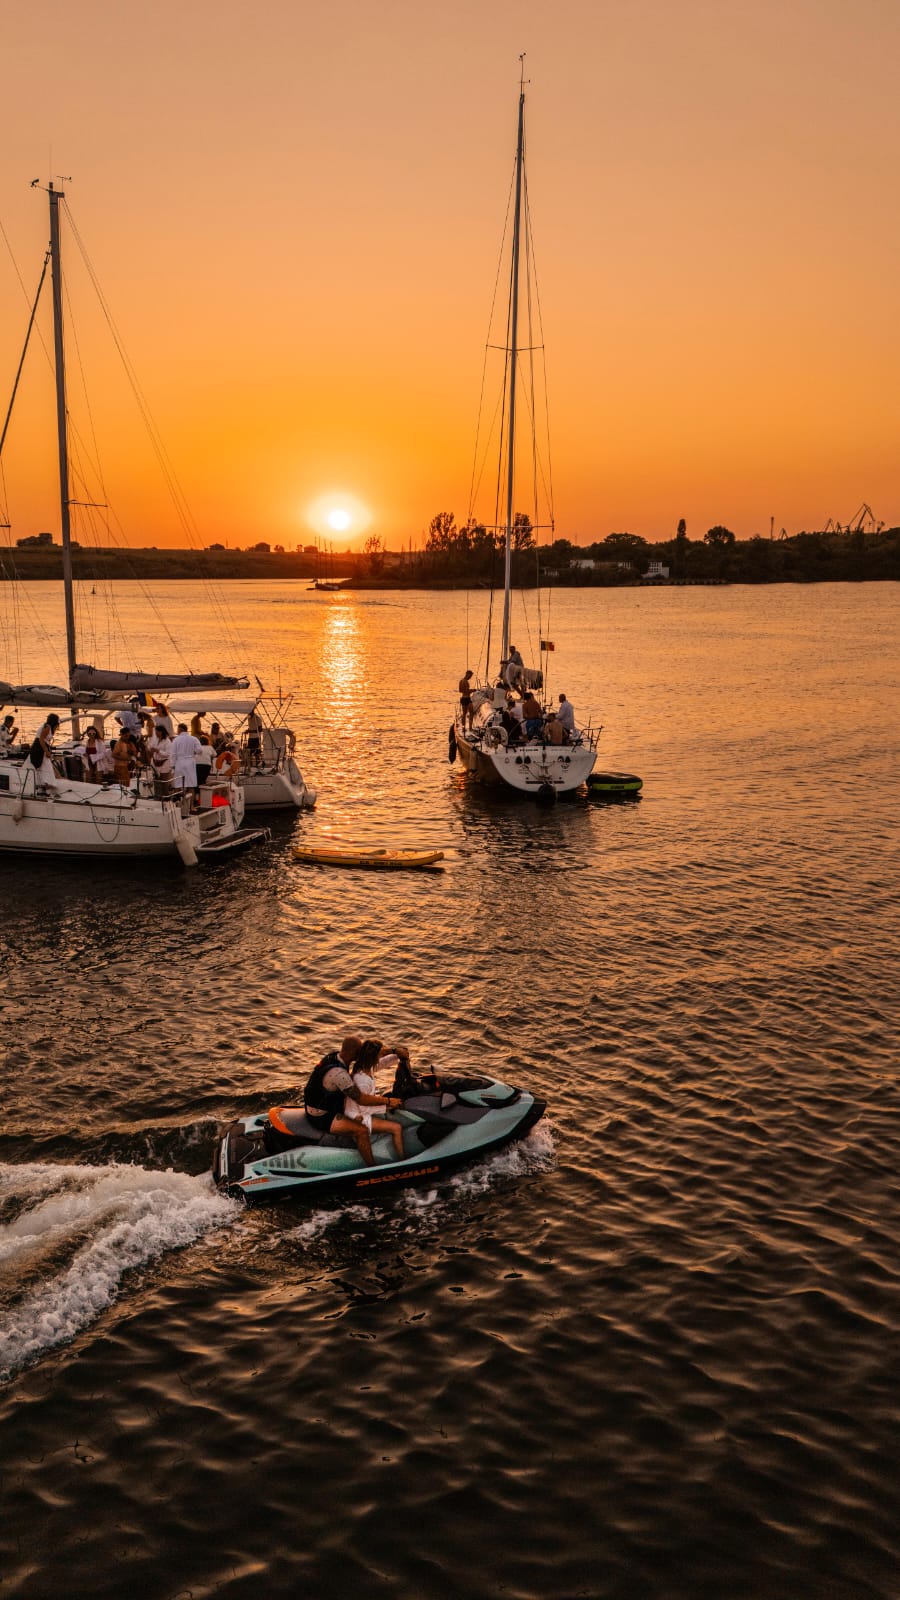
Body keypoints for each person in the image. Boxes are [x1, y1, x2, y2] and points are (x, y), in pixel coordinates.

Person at [302, 1036, 403, 1166]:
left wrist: (394, 1051)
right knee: (361, 1131)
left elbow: (372, 1054)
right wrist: (388, 1101)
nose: (362, 1053)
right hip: (322, 1116)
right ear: (353, 1052)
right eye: (360, 1051)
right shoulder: (338, 1073)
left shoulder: (334, 1056)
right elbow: (360, 1098)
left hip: (316, 1104)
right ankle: (372, 1168)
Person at [342, 1039, 406, 1159]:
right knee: (396, 1128)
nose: (381, 1055)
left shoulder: (366, 1068)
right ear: (374, 1058)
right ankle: (403, 1161)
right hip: (358, 1116)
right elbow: (363, 1108)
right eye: (379, 1054)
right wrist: (386, 1106)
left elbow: (384, 1062)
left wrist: (398, 1054)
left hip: (361, 1110)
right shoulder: (362, 1080)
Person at [30, 713, 61, 791]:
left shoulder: (48, 727)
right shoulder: (47, 727)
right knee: (45, 765)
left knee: (46, 765)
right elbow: (41, 739)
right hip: (39, 748)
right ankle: (45, 783)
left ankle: (45, 784)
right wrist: (46, 751)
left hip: (41, 747)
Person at [171, 723, 203, 798]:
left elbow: (173, 754)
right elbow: (200, 750)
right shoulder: (194, 739)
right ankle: (191, 806)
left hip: (179, 762)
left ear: (180, 729)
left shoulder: (176, 740)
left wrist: (172, 766)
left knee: (178, 784)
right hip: (190, 762)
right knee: (191, 785)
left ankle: (178, 804)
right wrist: (193, 752)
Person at [150, 724, 175, 796]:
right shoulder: (155, 740)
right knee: (156, 781)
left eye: (157, 732)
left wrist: (158, 751)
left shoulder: (167, 742)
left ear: (161, 732)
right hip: (155, 762)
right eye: (156, 732)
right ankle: (157, 796)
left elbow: (168, 754)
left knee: (164, 782)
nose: (156, 733)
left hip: (164, 763)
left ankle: (165, 797)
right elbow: (151, 747)